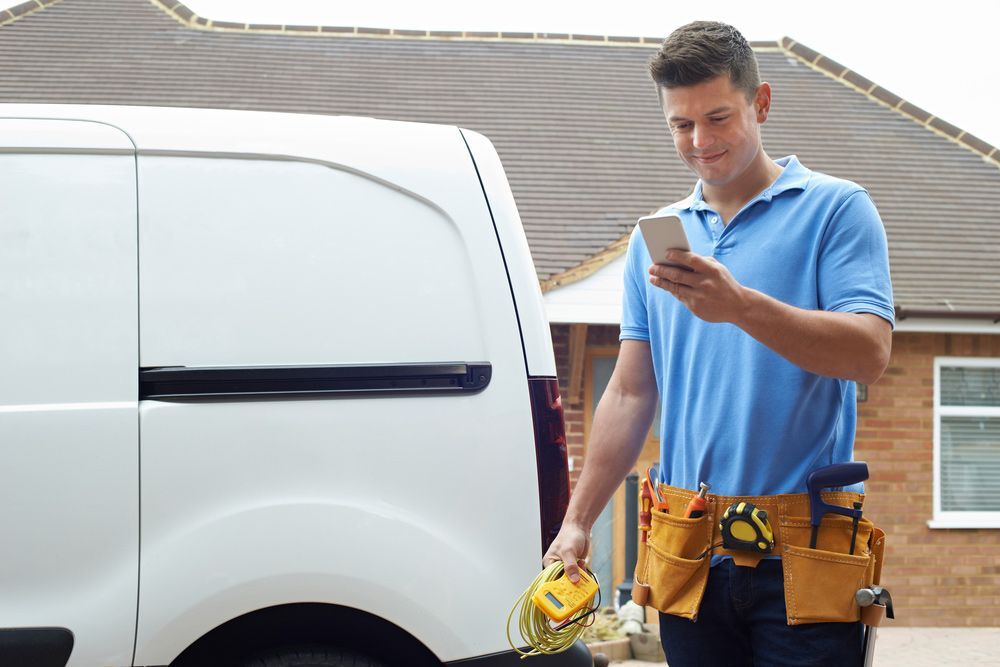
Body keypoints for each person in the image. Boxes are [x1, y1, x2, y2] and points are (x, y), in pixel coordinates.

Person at [542, 20, 894, 667]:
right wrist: (577, 520)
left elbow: (869, 352)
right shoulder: (655, 241)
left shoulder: (837, 210)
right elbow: (627, 390)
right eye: (681, 125)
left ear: (761, 103)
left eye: (717, 118)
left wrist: (741, 307)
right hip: (689, 551)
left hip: (803, 554)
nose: (700, 142)